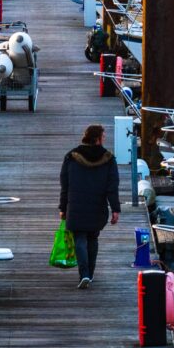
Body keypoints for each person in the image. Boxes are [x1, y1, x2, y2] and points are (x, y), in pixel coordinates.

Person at [59, 123, 120, 289]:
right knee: (92, 238)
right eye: (104, 137)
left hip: (75, 205)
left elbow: (65, 184)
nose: (104, 140)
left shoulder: (71, 156)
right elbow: (112, 186)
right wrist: (115, 208)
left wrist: (63, 207)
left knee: (79, 237)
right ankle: (90, 274)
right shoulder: (108, 159)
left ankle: (84, 273)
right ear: (97, 140)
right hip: (97, 205)